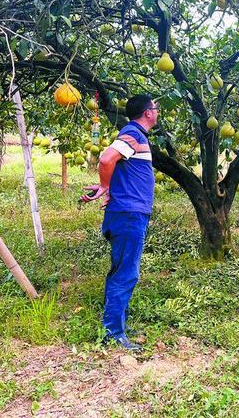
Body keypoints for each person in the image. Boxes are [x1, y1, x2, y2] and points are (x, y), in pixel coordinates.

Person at [81, 94, 159, 351]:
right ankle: (112, 333)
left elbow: (120, 168)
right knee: (125, 274)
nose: (158, 112)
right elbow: (106, 159)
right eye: (156, 108)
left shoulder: (136, 136)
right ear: (148, 112)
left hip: (125, 212)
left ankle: (117, 325)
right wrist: (105, 185)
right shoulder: (133, 133)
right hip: (128, 216)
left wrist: (110, 187)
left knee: (121, 271)